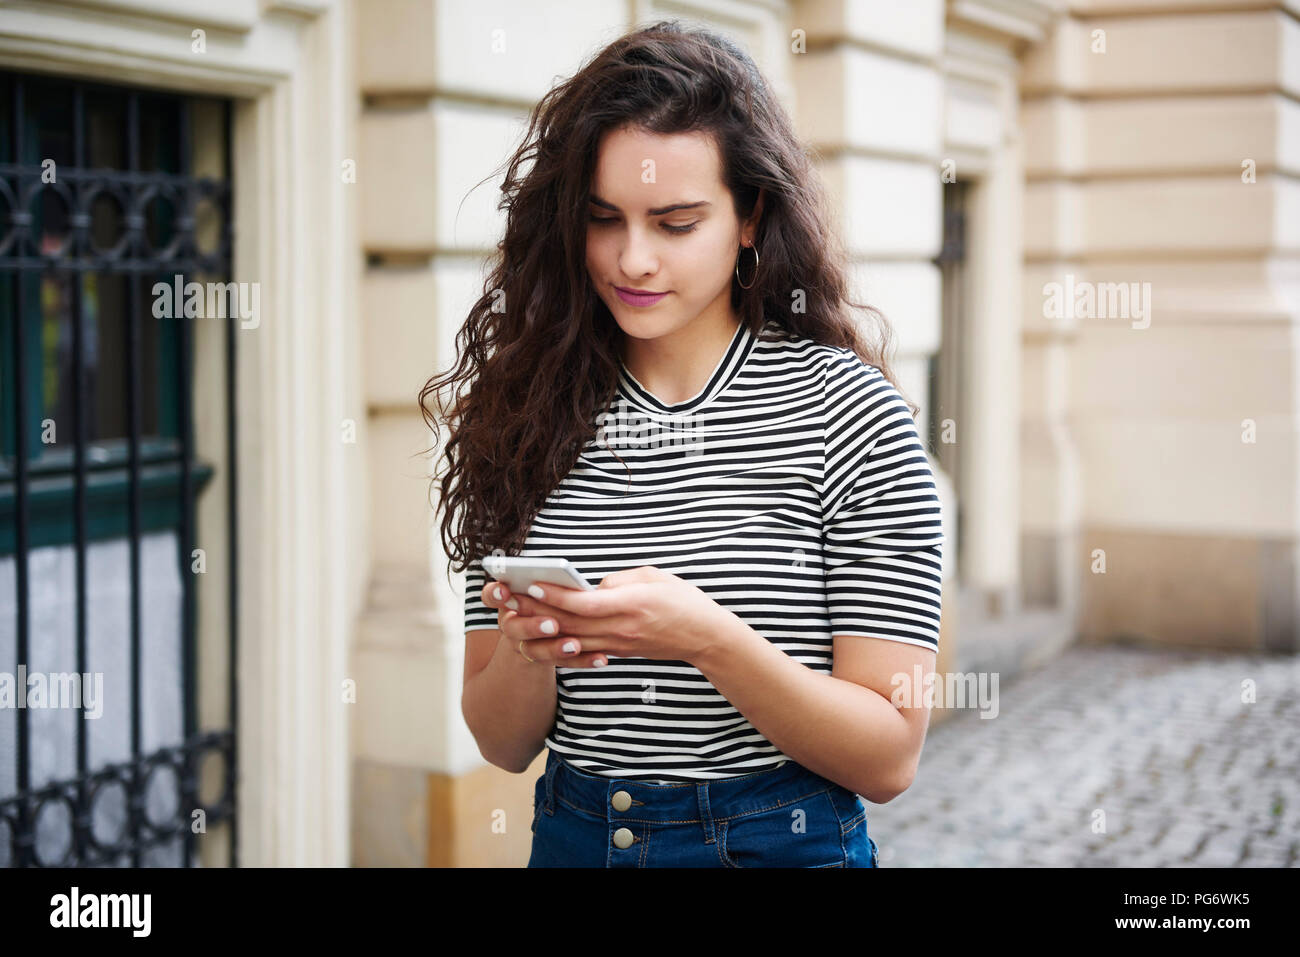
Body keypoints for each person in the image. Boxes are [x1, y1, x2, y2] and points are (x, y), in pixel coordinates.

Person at [420, 19, 944, 868]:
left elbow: (889, 755)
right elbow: (500, 742)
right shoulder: (520, 413)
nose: (632, 259)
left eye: (675, 222)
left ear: (750, 219)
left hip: (780, 843)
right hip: (575, 839)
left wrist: (708, 637)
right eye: (603, 219)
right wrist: (528, 650)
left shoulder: (850, 416)